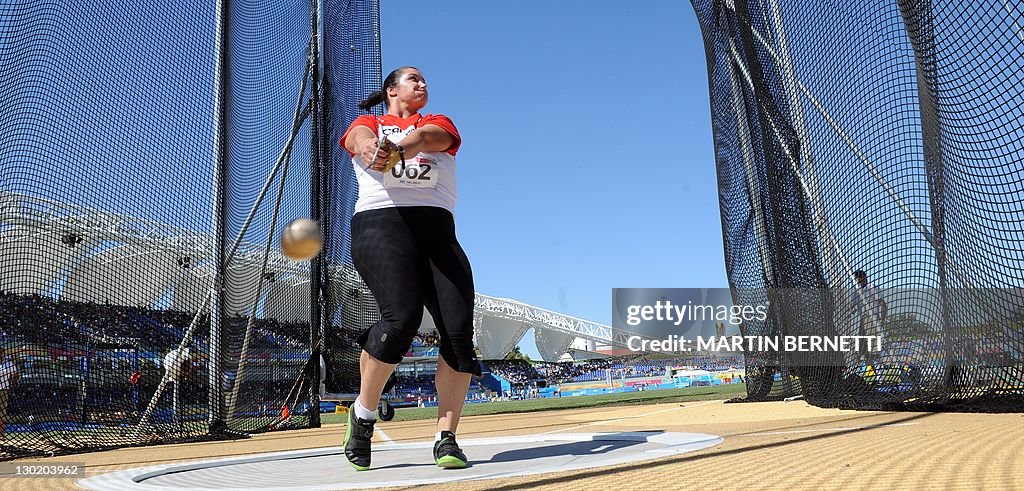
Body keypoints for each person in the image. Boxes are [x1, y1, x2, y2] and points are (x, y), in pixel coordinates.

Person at [339, 66, 480, 471]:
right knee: (401, 319)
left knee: (457, 333)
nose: (423, 84)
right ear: (391, 90)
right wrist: (368, 148)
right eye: (413, 79)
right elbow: (357, 137)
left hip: (437, 231)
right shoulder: (370, 122)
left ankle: (446, 437)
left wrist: (401, 147)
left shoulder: (437, 123)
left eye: (425, 80)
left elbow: (430, 138)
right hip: (381, 226)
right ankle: (362, 417)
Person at [852, 270, 887, 362]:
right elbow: (852, 305)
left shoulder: (871, 288)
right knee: (862, 345)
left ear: (863, 278)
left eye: (857, 279)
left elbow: (882, 304)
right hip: (863, 318)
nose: (856, 281)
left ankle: (875, 359)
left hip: (872, 317)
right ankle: (864, 357)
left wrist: (882, 320)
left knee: (873, 347)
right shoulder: (857, 291)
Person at [0, 351, 20, 439]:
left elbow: (15, 375)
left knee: (2, 413)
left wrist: (12, 386)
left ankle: (0, 433)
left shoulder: (8, 363)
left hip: (3, 390)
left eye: (1, 352)